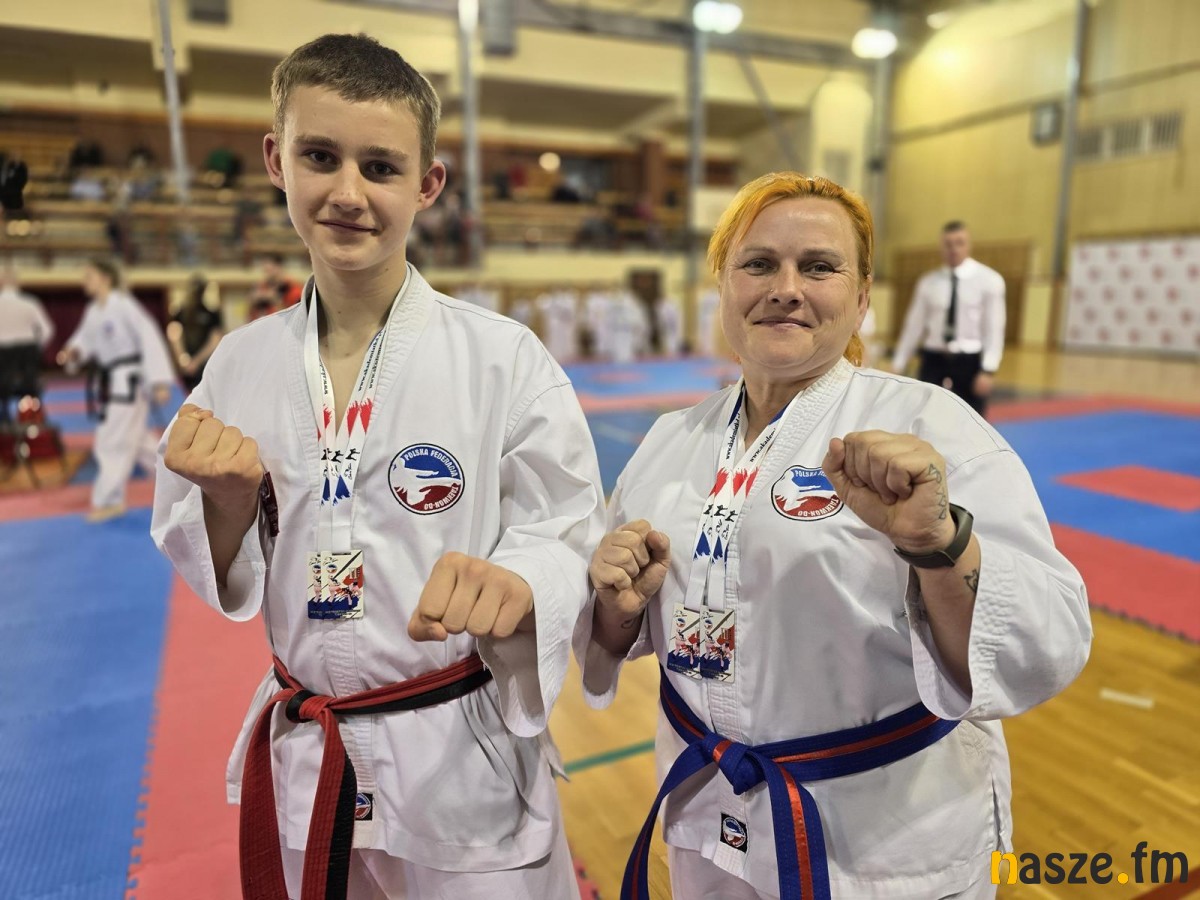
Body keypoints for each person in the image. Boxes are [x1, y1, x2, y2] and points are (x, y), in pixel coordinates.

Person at [150, 34, 604, 900]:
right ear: (277, 161)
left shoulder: (503, 358)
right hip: (309, 751)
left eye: (382, 167)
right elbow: (208, 556)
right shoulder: (238, 365)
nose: (349, 193)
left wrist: (520, 582)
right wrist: (227, 503)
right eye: (321, 157)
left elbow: (572, 528)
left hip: (457, 761)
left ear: (427, 184)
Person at [575, 172, 1091, 900]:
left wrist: (939, 544)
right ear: (723, 286)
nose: (786, 289)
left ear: (862, 296)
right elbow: (619, 632)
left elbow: (1047, 642)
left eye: (818, 267)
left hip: (881, 841)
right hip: (710, 816)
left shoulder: (933, 428)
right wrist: (616, 608)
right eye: (759, 264)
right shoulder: (670, 441)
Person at [61, 258, 175, 522]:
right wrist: (73, 352)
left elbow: (149, 337)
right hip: (111, 379)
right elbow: (83, 342)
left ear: (105, 278)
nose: (84, 281)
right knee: (139, 443)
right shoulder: (94, 311)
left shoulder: (123, 305)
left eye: (89, 275)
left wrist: (159, 380)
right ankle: (183, 482)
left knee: (111, 439)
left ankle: (109, 500)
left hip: (128, 380)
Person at [891, 221, 1006, 416]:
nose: (954, 249)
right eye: (948, 244)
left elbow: (994, 329)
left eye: (959, 243)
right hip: (933, 359)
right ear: (941, 247)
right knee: (925, 417)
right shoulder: (928, 283)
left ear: (969, 245)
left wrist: (988, 369)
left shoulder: (990, 281)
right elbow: (913, 326)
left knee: (971, 419)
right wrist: (898, 363)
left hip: (969, 361)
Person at [0, 267, 56, 421]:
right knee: (29, 382)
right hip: (27, 358)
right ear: (17, 282)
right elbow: (48, 330)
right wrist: (37, 348)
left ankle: (4, 413)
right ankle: (31, 415)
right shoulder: (30, 303)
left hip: (3, 358)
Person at [166, 273, 224, 391]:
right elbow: (174, 335)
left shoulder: (211, 314)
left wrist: (196, 362)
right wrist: (183, 358)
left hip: (204, 366)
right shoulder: (180, 313)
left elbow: (215, 340)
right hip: (184, 367)